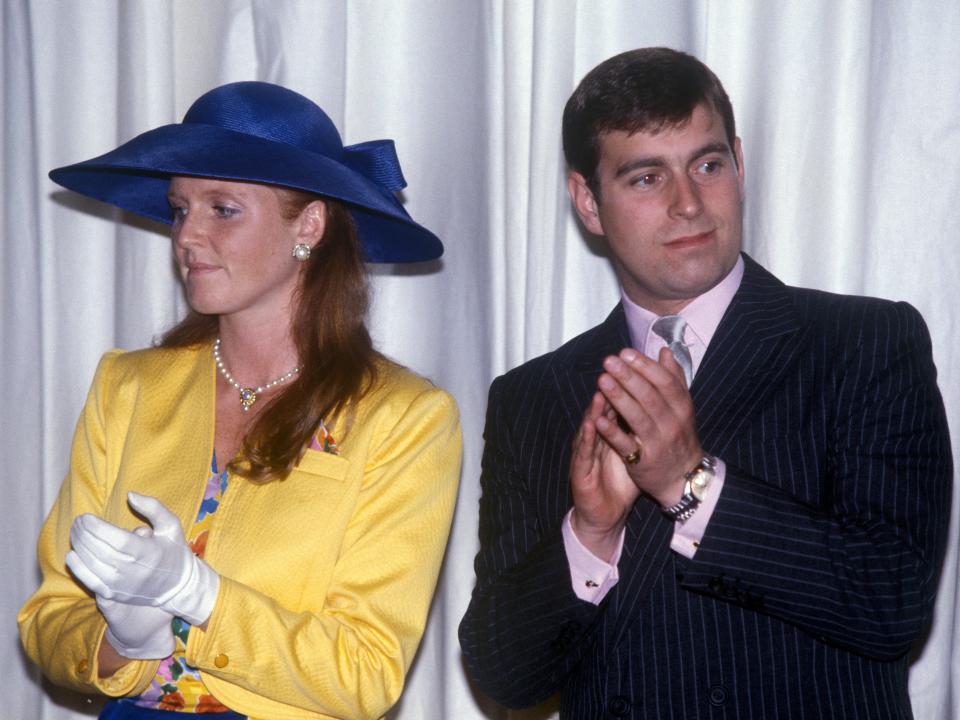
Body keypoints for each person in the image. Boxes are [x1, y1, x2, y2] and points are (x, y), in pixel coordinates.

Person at [459, 47, 952, 719]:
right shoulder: (532, 397)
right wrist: (591, 532)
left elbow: (890, 603)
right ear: (588, 202)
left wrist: (691, 485)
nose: (688, 203)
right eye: (645, 179)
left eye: (708, 165)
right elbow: (504, 673)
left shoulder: (863, 344)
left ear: (739, 165)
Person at [18, 81, 462, 720]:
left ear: (309, 224)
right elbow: (47, 620)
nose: (187, 237)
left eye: (222, 209)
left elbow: (367, 674)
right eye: (179, 208)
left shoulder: (402, 417)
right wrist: (120, 642)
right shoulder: (129, 386)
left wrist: (199, 597)